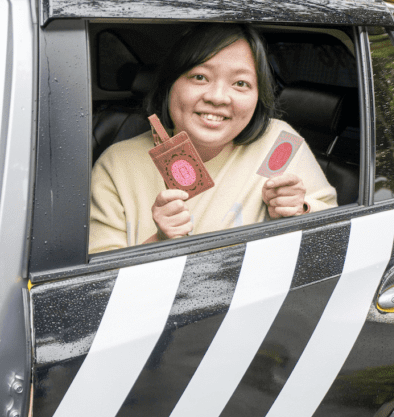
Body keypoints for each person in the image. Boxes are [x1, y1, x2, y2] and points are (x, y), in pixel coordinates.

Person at [89, 23, 337, 253]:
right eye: (200, 77)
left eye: (240, 83)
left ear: (258, 96)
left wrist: (300, 209)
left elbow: (336, 239)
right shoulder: (117, 165)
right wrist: (159, 243)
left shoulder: (279, 143)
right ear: (169, 84)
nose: (218, 97)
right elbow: (97, 287)